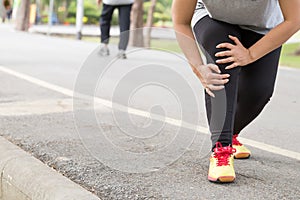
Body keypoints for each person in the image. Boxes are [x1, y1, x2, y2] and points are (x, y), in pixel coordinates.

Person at [172, 0, 300, 183]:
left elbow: (294, 20)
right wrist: (198, 66)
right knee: (222, 60)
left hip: (263, 28)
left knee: (259, 93)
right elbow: (180, 21)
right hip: (213, 19)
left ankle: (231, 134)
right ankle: (221, 149)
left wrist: (250, 55)